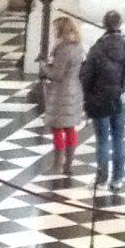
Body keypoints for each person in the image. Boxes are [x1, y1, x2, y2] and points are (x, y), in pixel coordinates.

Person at [82, 10, 125, 195]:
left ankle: (101, 179)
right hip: (121, 97)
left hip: (100, 97)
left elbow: (86, 76)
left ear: (104, 25)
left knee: (102, 140)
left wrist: (88, 96)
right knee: (118, 138)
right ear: (120, 24)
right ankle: (117, 179)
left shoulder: (97, 48)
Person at [43, 12, 85, 172]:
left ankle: (57, 163)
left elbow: (57, 75)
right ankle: (69, 163)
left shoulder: (63, 49)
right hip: (75, 89)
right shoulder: (78, 46)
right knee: (70, 128)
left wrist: (44, 67)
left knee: (57, 128)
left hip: (61, 92)